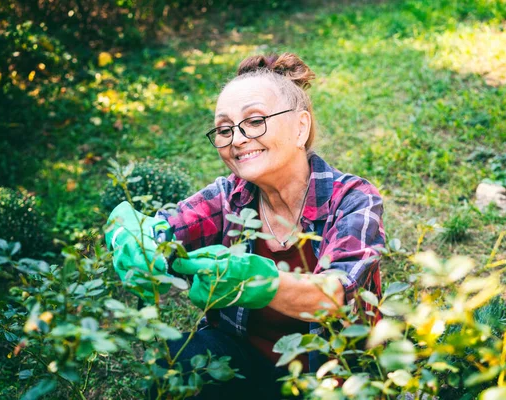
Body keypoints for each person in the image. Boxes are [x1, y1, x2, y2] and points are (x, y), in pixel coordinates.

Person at [106, 52, 385, 399]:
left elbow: (340, 296)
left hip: (328, 376)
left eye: (254, 121)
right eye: (224, 129)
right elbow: (164, 227)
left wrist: (261, 283)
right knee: (177, 364)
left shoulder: (352, 198)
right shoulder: (228, 197)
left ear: (301, 127)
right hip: (243, 364)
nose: (237, 139)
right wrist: (133, 231)